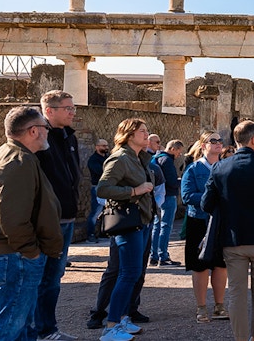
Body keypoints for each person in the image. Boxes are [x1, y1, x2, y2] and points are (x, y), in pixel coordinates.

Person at [201, 120, 254, 341]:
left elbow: (206, 204)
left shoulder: (220, 167)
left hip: (233, 239)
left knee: (237, 294)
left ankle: (240, 339)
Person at [0, 106, 63, 341]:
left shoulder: (15, 155)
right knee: (9, 326)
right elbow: (13, 218)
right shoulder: (17, 161)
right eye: (45, 127)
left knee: (21, 325)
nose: (47, 132)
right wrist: (31, 252)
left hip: (15, 254)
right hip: (16, 255)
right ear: (33, 131)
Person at [96, 118, 155, 341]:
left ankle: (121, 318)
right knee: (128, 273)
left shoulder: (140, 158)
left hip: (142, 221)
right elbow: (103, 188)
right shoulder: (120, 158)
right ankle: (111, 326)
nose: (146, 135)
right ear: (129, 135)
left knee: (134, 273)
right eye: (142, 131)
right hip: (128, 222)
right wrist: (134, 190)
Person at [35, 90, 82, 341]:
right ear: (49, 111)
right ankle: (42, 331)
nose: (73, 112)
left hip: (67, 217)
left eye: (73, 108)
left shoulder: (68, 137)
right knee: (45, 278)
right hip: (48, 220)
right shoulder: (39, 138)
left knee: (54, 277)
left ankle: (47, 328)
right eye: (68, 108)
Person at [181, 129, 228, 323]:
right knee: (200, 266)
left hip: (221, 222)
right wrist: (211, 198)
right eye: (213, 140)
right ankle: (201, 308)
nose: (218, 143)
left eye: (219, 140)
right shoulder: (193, 169)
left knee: (220, 265)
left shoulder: (226, 167)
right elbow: (187, 196)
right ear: (203, 146)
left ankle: (219, 306)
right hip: (199, 221)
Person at [150, 139, 184, 266]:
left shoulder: (157, 158)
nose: (179, 155)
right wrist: (181, 181)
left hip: (159, 196)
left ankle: (154, 255)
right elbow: (172, 182)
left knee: (157, 225)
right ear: (173, 149)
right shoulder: (167, 161)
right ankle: (162, 256)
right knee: (166, 226)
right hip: (168, 195)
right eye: (179, 152)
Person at [86, 139, 110, 242]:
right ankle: (90, 234)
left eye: (106, 146)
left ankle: (103, 232)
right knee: (96, 212)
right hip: (98, 187)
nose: (105, 148)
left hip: (107, 187)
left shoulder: (108, 158)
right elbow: (101, 172)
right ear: (97, 147)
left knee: (106, 212)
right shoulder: (93, 159)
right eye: (103, 146)